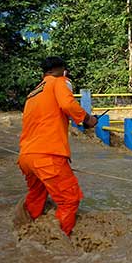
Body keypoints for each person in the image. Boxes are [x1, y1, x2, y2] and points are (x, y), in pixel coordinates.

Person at [16, 56, 98, 237]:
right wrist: (88, 120)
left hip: (27, 156)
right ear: (56, 70)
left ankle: (25, 230)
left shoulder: (33, 92)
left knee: (37, 196)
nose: (66, 74)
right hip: (48, 155)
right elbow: (68, 103)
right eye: (64, 70)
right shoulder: (58, 81)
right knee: (70, 200)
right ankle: (57, 244)